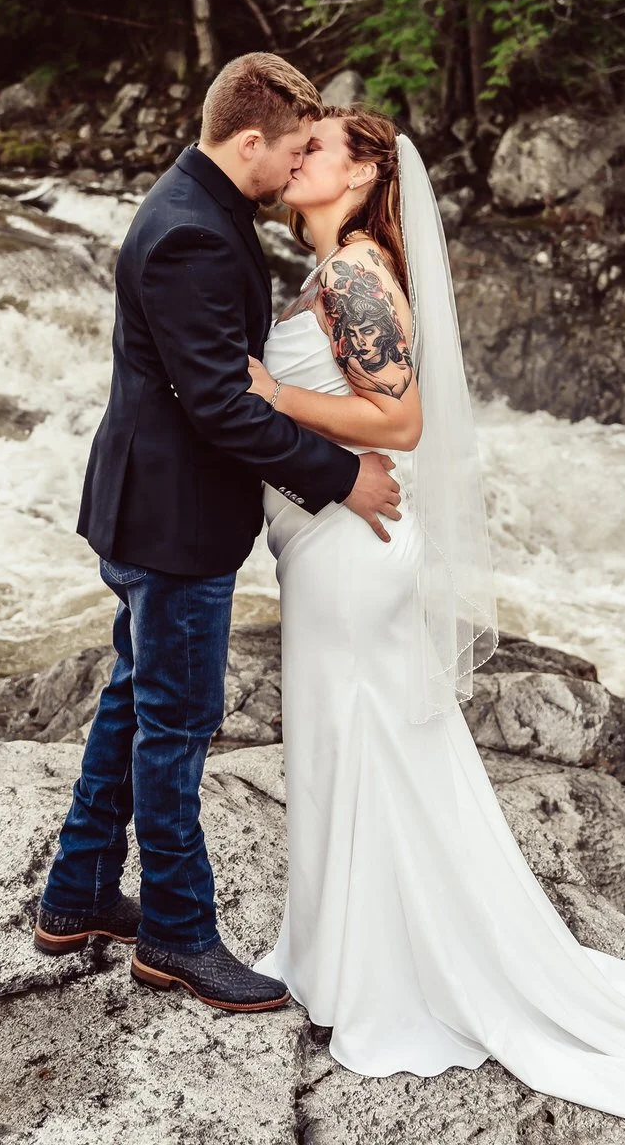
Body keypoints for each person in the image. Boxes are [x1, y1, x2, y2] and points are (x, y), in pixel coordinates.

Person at [243, 105, 625, 1122]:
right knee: (343, 746)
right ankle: (342, 954)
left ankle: (386, 978)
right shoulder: (327, 274)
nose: (295, 155)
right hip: (327, 545)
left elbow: (400, 416)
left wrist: (275, 394)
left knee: (362, 744)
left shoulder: (358, 269)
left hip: (357, 549)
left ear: (364, 173)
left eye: (315, 145)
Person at [33, 55, 401, 1013]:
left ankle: (73, 898)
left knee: (132, 698)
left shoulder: (195, 203)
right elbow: (221, 409)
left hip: (145, 504)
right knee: (176, 725)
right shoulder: (193, 234)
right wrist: (342, 478)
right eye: (287, 152)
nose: (292, 170)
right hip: (173, 521)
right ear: (248, 141)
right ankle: (177, 936)